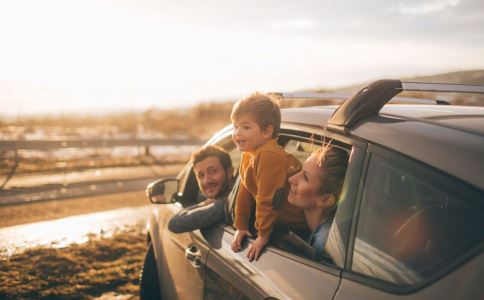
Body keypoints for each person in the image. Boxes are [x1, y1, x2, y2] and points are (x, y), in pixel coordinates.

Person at [230, 92, 307, 262]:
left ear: (267, 131)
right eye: (235, 126)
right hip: (280, 225)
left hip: (296, 228)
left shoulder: (268, 155)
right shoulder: (249, 155)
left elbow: (268, 198)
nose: (237, 133)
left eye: (246, 127)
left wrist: (263, 235)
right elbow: (245, 191)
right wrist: (241, 226)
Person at [287, 145, 349, 260]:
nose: (291, 179)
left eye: (305, 177)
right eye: (300, 171)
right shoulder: (327, 232)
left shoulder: (323, 245)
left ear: (325, 200)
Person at [168, 145, 234, 233]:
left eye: (212, 171)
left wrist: (203, 204)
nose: (206, 181)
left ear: (229, 172)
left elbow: (174, 224)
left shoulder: (225, 204)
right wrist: (206, 202)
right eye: (201, 175)